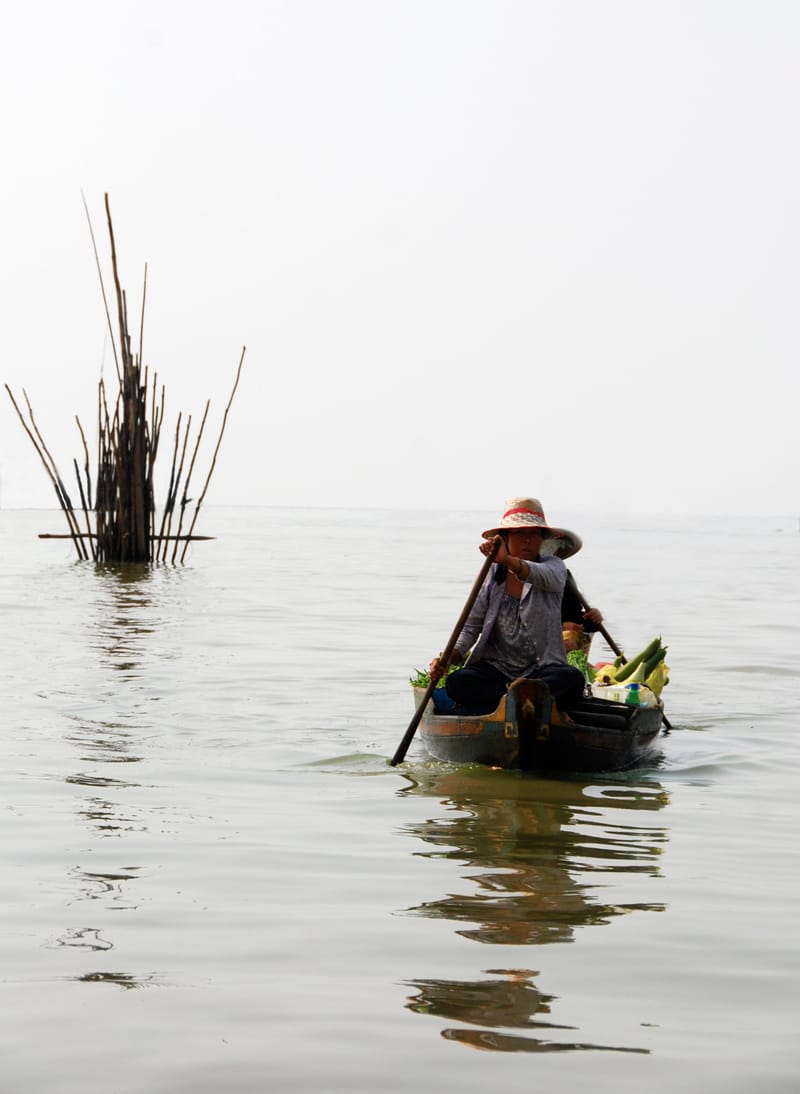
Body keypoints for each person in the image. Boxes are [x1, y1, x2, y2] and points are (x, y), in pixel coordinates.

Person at [429, 497, 586, 715]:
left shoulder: (554, 567)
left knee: (572, 679)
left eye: (533, 534)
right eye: (519, 533)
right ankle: (519, 700)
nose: (527, 541)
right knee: (459, 682)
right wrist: (449, 657)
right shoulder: (491, 575)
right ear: (505, 538)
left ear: (542, 539)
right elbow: (471, 627)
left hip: (541, 671)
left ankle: (517, 698)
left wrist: (507, 561)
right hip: (496, 671)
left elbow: (539, 574)